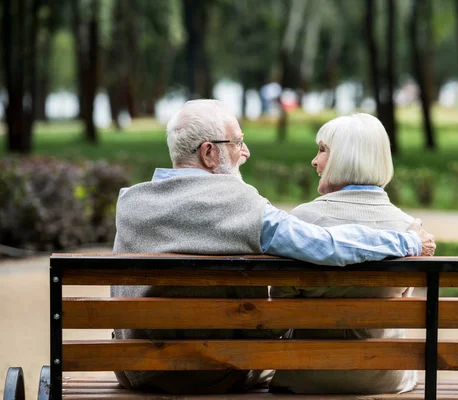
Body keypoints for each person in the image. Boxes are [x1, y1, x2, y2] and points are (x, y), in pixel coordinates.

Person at [111, 100, 435, 394]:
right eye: (237, 142)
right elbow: (325, 244)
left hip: (136, 370)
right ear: (209, 153)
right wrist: (407, 240)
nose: (246, 151)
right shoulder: (239, 205)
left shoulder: (131, 203)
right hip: (214, 374)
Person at [270, 113, 428, 395]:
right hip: (384, 378)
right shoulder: (409, 230)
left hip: (306, 376)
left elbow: (280, 306)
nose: (314, 161)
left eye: (322, 150)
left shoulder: (302, 221)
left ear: (346, 157)